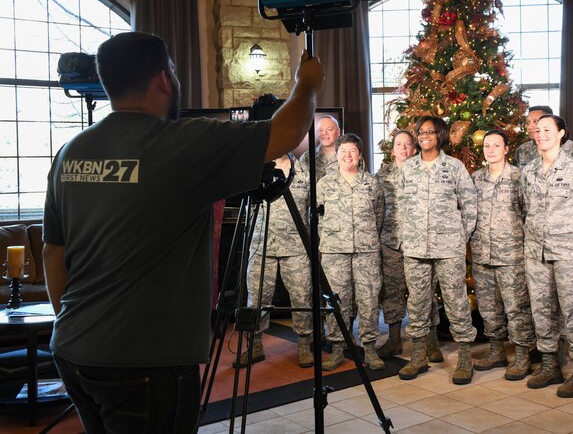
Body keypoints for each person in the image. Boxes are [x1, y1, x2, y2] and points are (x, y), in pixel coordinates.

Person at [42, 31, 323, 433]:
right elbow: (284, 134)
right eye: (172, 70)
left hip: (72, 348)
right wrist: (307, 84)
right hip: (146, 364)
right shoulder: (181, 143)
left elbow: (54, 252)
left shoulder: (71, 151)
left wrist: (80, 327)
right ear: (162, 78)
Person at [520, 115, 573, 398]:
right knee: (541, 310)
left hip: (569, 253)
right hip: (536, 252)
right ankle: (550, 364)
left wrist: (572, 238)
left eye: (547, 130)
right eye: (538, 130)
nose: (541, 134)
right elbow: (524, 209)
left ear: (561, 133)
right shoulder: (528, 171)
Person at [398, 116, 478, 385]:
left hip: (448, 248)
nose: (425, 136)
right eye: (420, 132)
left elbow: (469, 207)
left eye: (430, 132)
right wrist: (406, 236)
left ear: (440, 135)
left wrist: (457, 237)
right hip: (415, 247)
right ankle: (419, 355)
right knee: (418, 304)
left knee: (456, 303)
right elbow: (399, 207)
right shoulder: (407, 168)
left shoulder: (454, 167)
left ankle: (465, 358)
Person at [469, 130, 535, 380]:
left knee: (517, 308)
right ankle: (496, 351)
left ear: (506, 149)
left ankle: (522, 356)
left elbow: (529, 214)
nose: (491, 149)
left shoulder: (519, 177)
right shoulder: (475, 179)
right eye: (487, 145)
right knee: (488, 307)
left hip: (511, 256)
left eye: (496, 145)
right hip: (482, 254)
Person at [317, 133, 385, 371]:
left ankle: (370, 349)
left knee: (368, 300)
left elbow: (379, 215)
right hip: (334, 253)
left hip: (366, 252)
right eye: (343, 151)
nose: (348, 156)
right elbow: (316, 219)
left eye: (352, 151)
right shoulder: (324, 185)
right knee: (337, 301)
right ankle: (338, 348)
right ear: (336, 154)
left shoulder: (371, 184)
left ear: (360, 155)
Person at [238, 153, 313, 369]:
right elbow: (248, 203)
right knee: (257, 298)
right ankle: (255, 346)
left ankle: (304, 345)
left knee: (301, 297)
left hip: (296, 247)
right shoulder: (257, 170)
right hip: (261, 244)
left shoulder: (304, 172)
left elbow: (310, 209)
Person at [375, 130, 442, 361]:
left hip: (420, 243)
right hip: (391, 242)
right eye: (398, 144)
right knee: (391, 292)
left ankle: (430, 343)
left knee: (425, 293)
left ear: (414, 149)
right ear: (392, 150)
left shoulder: (424, 172)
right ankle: (394, 340)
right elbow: (376, 209)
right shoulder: (381, 176)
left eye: (408, 145)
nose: (403, 149)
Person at [300, 114, 341, 181]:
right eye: (320, 130)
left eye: (330, 129)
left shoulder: (349, 157)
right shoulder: (306, 157)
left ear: (338, 132)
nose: (324, 133)